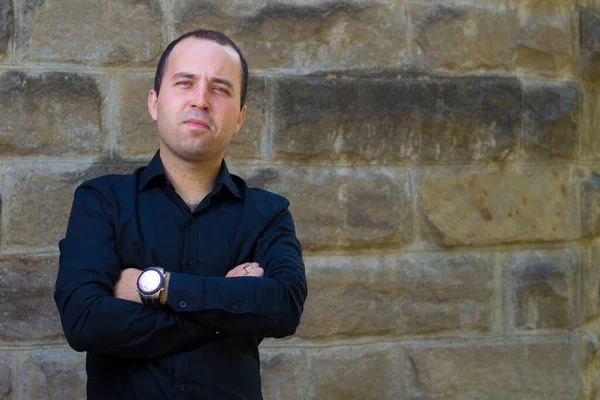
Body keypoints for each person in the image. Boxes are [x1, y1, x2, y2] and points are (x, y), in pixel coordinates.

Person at [54, 29, 307, 400]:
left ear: (239, 117)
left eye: (220, 88)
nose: (201, 100)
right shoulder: (102, 201)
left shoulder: (268, 213)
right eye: (185, 82)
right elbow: (84, 322)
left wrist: (156, 287)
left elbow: (284, 308)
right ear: (155, 102)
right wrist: (229, 305)